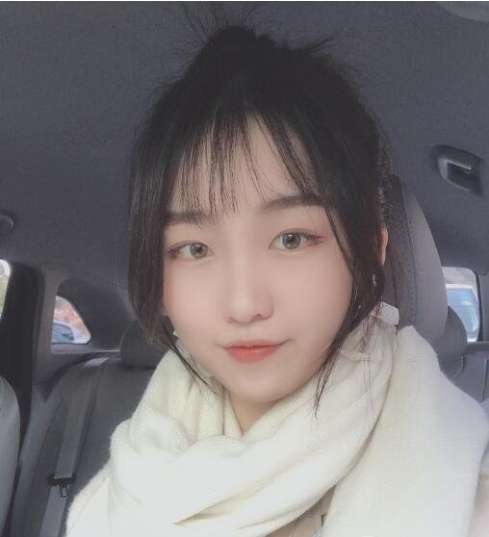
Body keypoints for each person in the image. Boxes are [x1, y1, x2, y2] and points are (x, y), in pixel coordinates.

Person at [64, 14, 489, 537]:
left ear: (370, 249)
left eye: (291, 239)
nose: (243, 304)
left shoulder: (462, 486)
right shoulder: (129, 479)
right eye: (194, 248)